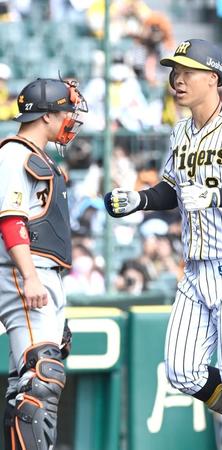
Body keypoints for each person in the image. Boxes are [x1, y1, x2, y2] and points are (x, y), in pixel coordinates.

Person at [104, 39, 222, 449]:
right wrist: (140, 200)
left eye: (188, 71)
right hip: (195, 267)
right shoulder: (179, 133)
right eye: (175, 71)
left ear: (213, 77)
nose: (178, 78)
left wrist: (216, 196)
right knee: (182, 371)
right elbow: (172, 189)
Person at [0, 77, 88, 449]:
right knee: (42, 376)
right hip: (22, 271)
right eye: (66, 111)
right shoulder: (13, 154)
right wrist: (31, 276)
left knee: (29, 381)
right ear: (48, 114)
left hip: (40, 274)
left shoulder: (38, 155)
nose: (71, 119)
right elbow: (10, 219)